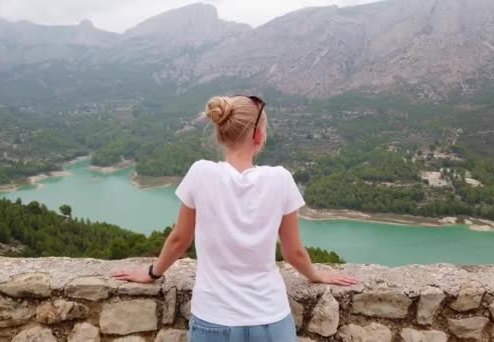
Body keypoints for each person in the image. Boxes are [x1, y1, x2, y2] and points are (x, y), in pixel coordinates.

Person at [111, 95, 357, 341]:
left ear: (221, 134)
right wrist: (316, 276)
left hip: (214, 318)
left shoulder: (200, 173)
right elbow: (294, 253)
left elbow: (179, 240)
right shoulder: (280, 179)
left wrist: (152, 273)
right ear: (258, 137)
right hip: (270, 318)